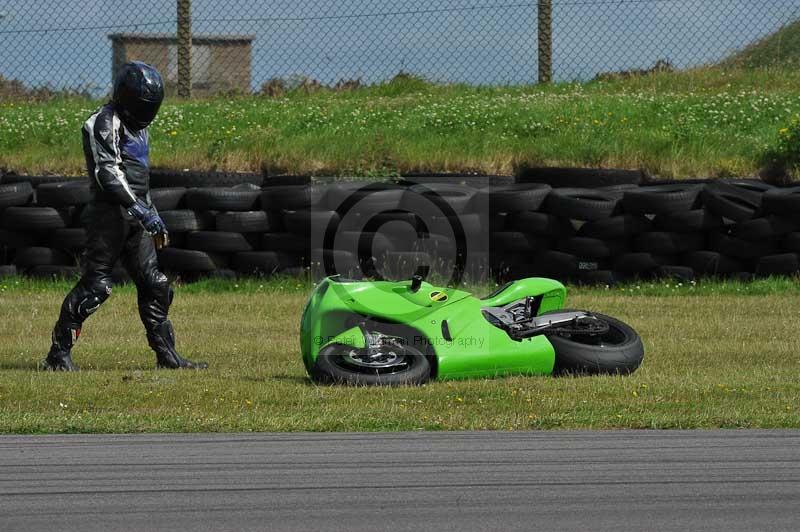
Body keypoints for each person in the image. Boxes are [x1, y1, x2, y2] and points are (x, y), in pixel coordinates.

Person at [43, 61, 206, 371]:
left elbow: (140, 179)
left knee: (155, 284)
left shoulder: (140, 129)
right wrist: (143, 212)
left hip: (138, 218)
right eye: (143, 105)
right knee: (97, 287)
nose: (147, 113)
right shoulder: (101, 123)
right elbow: (108, 173)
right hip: (109, 218)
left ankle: (167, 356)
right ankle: (58, 354)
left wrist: (152, 213)